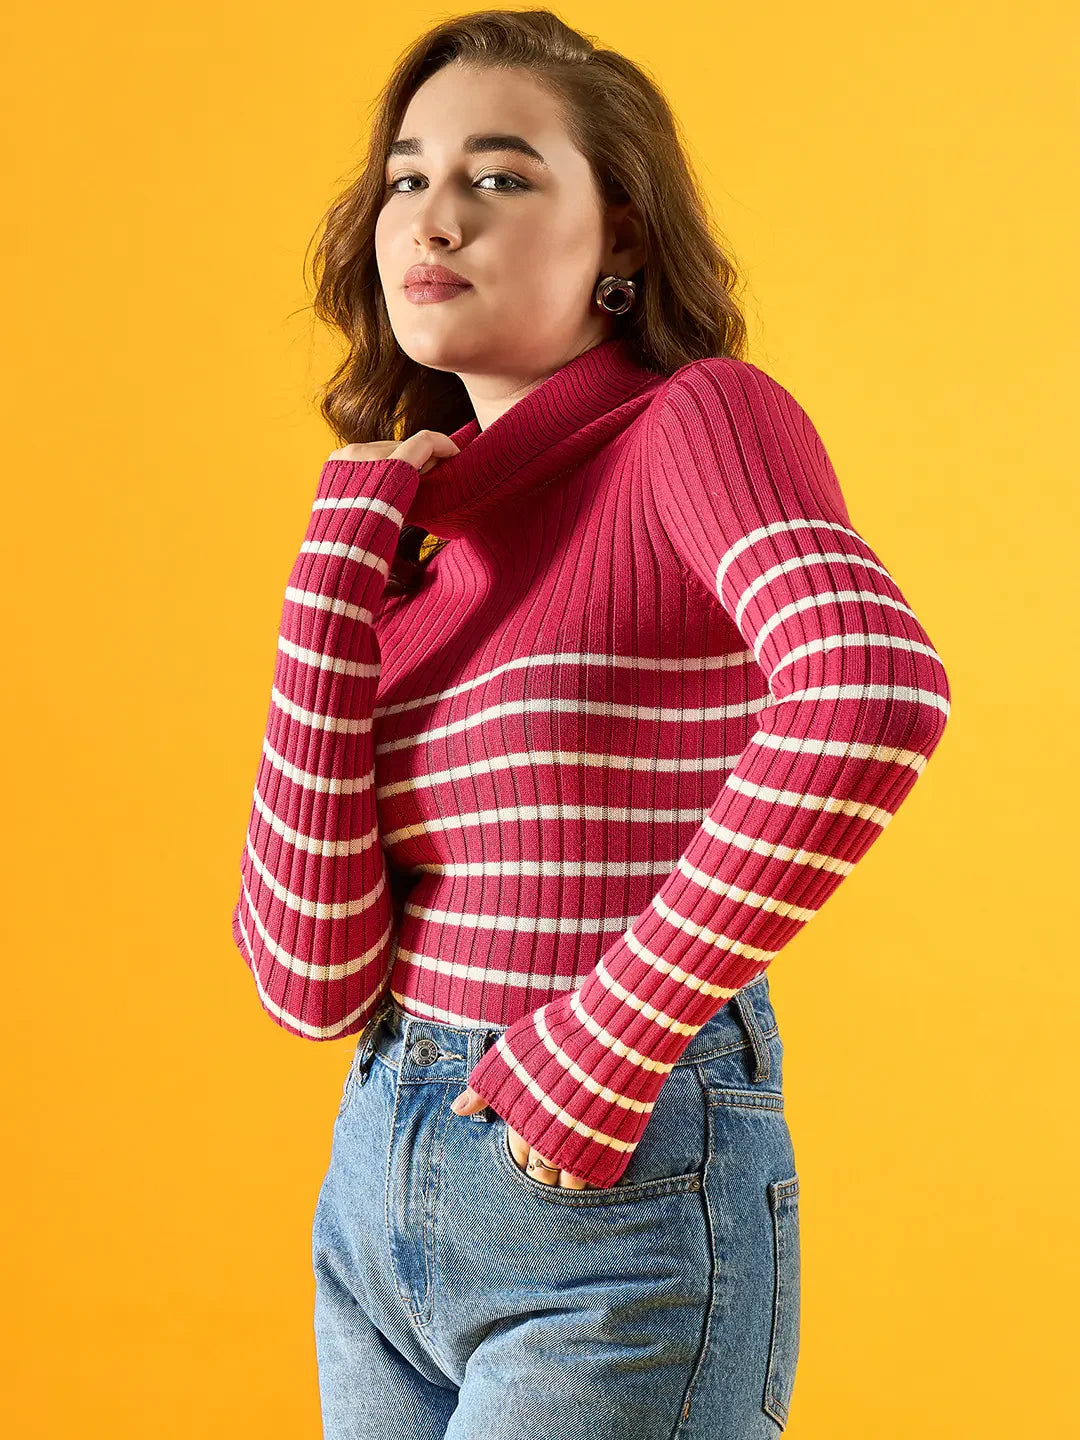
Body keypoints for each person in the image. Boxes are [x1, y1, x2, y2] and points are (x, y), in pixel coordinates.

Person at [229, 10, 951, 1438]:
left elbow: (871, 685)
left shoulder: (698, 422)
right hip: (379, 1183)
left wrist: (608, 1041)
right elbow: (311, 980)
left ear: (617, 237)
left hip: (610, 1179)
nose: (434, 214)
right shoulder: (425, 557)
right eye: (405, 176)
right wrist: (335, 572)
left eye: (501, 177)